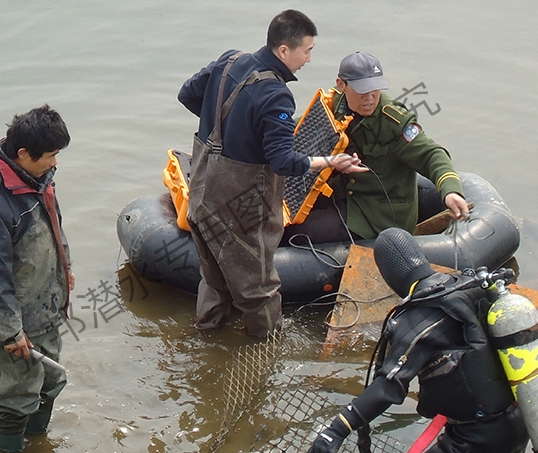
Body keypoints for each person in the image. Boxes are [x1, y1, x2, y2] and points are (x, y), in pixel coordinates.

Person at [177, 10, 367, 337]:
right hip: (242, 209)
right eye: (306, 50)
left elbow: (188, 94)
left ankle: (206, 340)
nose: (309, 58)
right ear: (283, 51)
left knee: (213, 279)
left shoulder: (229, 62)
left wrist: (227, 129)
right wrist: (330, 163)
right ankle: (266, 356)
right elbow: (283, 163)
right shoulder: (275, 94)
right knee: (259, 290)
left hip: (201, 194)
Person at [307, 227, 529, 453]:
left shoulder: (419, 316)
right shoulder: (463, 284)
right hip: (522, 418)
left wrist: (336, 430)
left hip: (478, 438)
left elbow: (389, 386)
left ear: (389, 275)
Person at [0, 105, 74, 452]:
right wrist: (9, 331)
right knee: (15, 395)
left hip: (43, 306)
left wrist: (64, 267)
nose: (55, 163)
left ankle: (39, 442)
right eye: (51, 156)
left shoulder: (34, 174)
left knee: (51, 381)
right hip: (8, 321)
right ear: (23, 153)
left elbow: (52, 223)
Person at [283, 51, 469, 244]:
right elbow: (304, 126)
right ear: (342, 85)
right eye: (362, 91)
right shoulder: (336, 102)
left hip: (375, 213)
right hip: (339, 192)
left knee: (297, 235)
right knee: (277, 218)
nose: (370, 98)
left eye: (375, 90)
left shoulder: (394, 123)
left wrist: (451, 191)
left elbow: (432, 155)